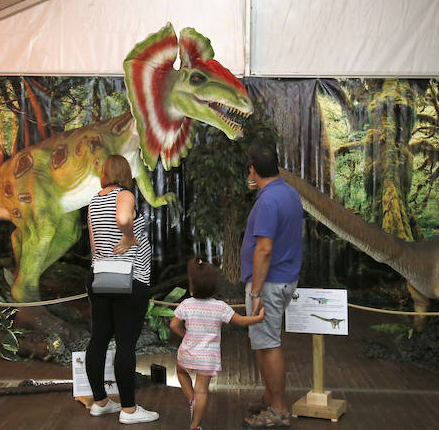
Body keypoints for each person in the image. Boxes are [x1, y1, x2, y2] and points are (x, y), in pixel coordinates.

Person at [85, 154, 159, 424]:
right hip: (129, 280)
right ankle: (128, 410)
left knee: (99, 339)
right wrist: (129, 236)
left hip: (101, 278)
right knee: (126, 343)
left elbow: (94, 245)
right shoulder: (124, 194)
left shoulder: (94, 201)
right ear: (126, 173)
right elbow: (123, 217)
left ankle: (100, 402)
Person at [240, 142, 304, 429]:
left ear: (253, 169)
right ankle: (270, 397)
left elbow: (264, 249)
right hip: (283, 277)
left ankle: (279, 409)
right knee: (263, 343)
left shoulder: (268, 200)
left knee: (268, 345)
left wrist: (256, 292)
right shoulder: (288, 192)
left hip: (268, 283)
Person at [170, 257, 265, 430]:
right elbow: (242, 321)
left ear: (192, 287)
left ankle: (191, 398)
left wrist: (185, 335)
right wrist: (258, 318)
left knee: (181, 372)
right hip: (207, 357)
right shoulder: (220, 307)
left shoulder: (186, 304)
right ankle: (195, 426)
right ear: (214, 286)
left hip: (187, 352)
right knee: (202, 390)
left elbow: (173, 325)